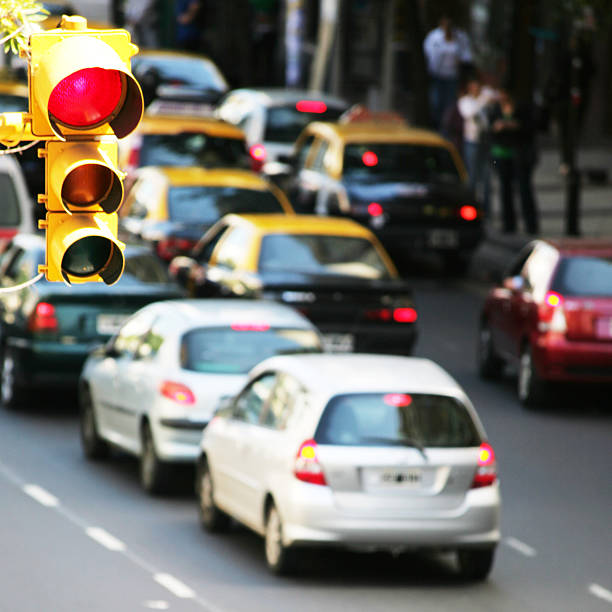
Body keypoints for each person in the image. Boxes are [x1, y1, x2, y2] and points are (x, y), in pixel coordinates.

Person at [487, 87, 539, 234]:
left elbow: (531, 128)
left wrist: (513, 125)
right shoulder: (495, 109)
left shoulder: (522, 108)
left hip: (520, 154)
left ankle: (531, 225)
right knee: (505, 190)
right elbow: (490, 130)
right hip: (502, 154)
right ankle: (509, 224)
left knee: (524, 189)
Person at [423, 14, 473, 130]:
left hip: (452, 76)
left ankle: (445, 128)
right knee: (436, 104)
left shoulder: (460, 37)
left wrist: (460, 61)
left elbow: (466, 56)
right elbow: (428, 54)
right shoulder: (434, 37)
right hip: (437, 76)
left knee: (449, 106)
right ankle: (435, 126)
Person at [457, 74, 497, 214]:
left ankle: (487, 210)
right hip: (472, 141)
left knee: (486, 176)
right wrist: (484, 100)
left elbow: (495, 96)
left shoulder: (484, 97)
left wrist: (485, 98)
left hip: (485, 140)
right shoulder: (465, 101)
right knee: (472, 175)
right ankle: (471, 207)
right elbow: (470, 113)